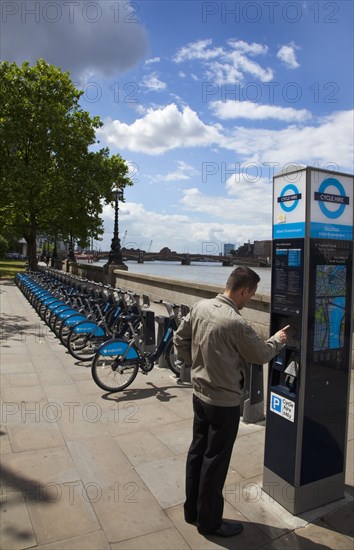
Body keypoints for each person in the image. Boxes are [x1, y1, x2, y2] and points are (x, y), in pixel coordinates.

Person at [173, 266, 289, 538]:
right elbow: (260, 355)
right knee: (216, 461)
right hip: (223, 402)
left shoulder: (200, 307)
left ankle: (192, 511)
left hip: (199, 395)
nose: (249, 301)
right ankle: (209, 522)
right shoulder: (235, 323)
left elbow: (180, 339)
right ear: (245, 290)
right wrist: (278, 339)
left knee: (197, 452)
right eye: (251, 295)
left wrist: (195, 365)